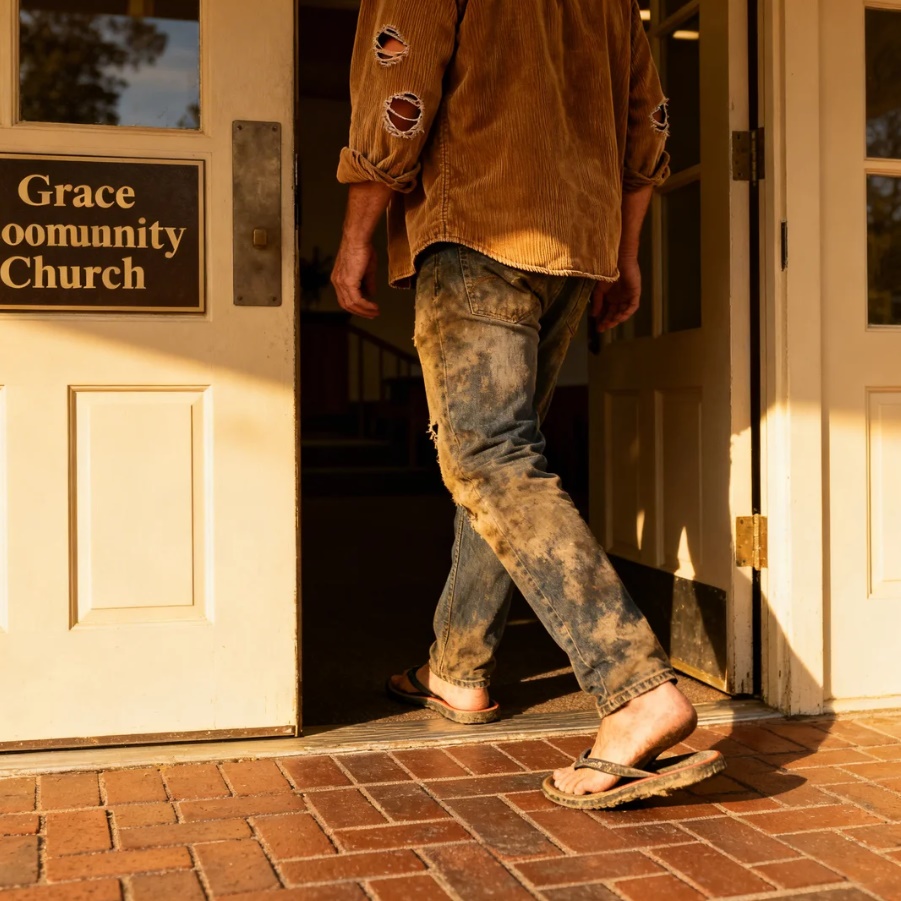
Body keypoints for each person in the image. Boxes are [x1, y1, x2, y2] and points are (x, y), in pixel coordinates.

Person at [330, 0, 724, 809]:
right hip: (575, 242)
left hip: (479, 221)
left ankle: (635, 688)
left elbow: (399, 86)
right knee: (503, 461)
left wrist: (356, 233)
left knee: (488, 460)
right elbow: (647, 118)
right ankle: (457, 666)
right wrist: (624, 251)